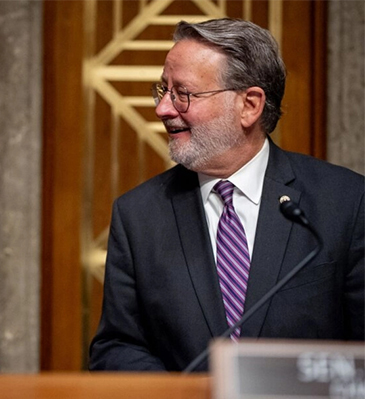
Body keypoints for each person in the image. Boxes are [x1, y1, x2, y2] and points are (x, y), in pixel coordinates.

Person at [89, 18, 364, 372]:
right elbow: (117, 347)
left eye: (183, 93)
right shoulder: (139, 215)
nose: (163, 109)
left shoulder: (346, 203)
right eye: (163, 91)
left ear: (249, 105)